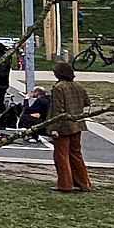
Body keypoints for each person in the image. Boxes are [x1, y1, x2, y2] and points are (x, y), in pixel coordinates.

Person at [40, 61, 92, 193]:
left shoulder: (59, 88)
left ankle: (65, 184)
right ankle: (83, 183)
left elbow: (58, 110)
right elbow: (87, 102)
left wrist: (54, 128)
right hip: (77, 124)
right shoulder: (78, 85)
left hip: (63, 126)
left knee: (61, 156)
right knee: (76, 154)